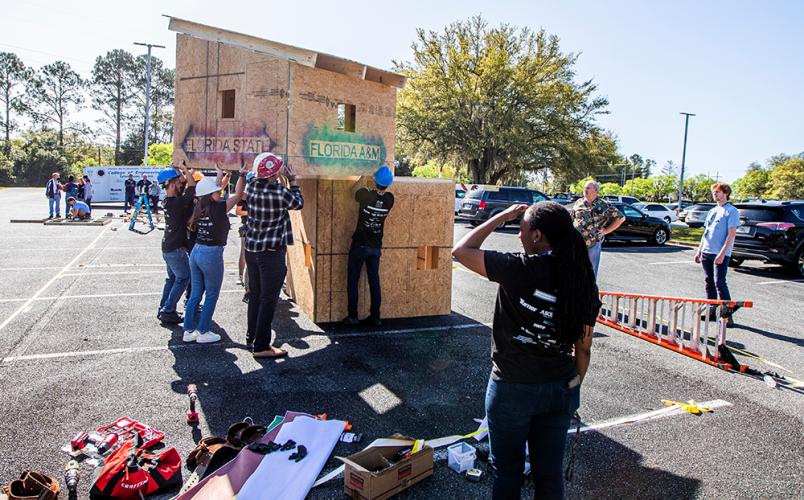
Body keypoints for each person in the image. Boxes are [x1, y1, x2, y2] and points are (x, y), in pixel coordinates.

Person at [452, 201, 599, 499]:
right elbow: (584, 348)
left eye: (521, 229)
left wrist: (501, 217)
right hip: (559, 386)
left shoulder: (519, 268)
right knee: (549, 473)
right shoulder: (583, 279)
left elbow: (461, 251)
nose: (518, 235)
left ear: (537, 235)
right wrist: (571, 388)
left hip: (512, 389)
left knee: (508, 472)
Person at [244, 152, 303, 358]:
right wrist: (293, 181)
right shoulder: (279, 192)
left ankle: (252, 336)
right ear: (274, 174)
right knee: (269, 299)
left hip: (252, 250)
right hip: (270, 254)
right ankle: (261, 346)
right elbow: (298, 203)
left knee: (256, 296)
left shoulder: (251, 188)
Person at [183, 166, 246, 343]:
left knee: (196, 293)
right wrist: (241, 174)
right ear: (212, 194)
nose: (219, 191)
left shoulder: (200, 205)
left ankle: (188, 330)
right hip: (211, 254)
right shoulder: (219, 207)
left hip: (196, 252)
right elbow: (238, 194)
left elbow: (212, 190)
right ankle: (203, 331)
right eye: (217, 191)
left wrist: (219, 175)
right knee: (211, 294)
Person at [343, 165, 395, 327]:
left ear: (375, 181)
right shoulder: (390, 199)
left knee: (353, 280)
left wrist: (363, 177)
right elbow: (380, 193)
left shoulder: (365, 195)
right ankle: (375, 317)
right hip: (375, 247)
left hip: (360, 245)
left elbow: (352, 191)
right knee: (374, 281)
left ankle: (353, 316)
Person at [694, 183, 740, 325]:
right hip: (707, 251)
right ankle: (712, 311)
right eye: (714, 192)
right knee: (709, 282)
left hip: (720, 253)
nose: (715, 194)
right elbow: (705, 232)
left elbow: (731, 235)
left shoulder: (731, 211)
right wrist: (699, 250)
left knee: (719, 282)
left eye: (718, 192)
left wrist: (722, 254)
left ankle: (727, 315)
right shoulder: (713, 211)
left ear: (725, 193)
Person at [156, 163, 197, 325]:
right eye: (179, 181)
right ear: (172, 183)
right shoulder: (177, 203)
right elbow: (192, 185)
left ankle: (164, 308)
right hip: (175, 249)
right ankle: (168, 310)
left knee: (172, 279)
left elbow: (186, 185)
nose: (182, 182)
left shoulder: (168, 200)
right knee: (183, 277)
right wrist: (184, 169)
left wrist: (181, 171)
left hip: (168, 246)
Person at [570, 180, 625, 276]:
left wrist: (606, 230)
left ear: (596, 190)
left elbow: (621, 218)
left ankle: (590, 290)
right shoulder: (579, 202)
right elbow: (572, 218)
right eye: (584, 188)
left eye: (588, 188)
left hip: (592, 242)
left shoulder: (604, 205)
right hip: (576, 242)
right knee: (575, 269)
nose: (585, 190)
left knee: (590, 271)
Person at [235, 195, 250, 302]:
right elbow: (238, 211)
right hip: (246, 226)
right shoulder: (244, 197)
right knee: (244, 253)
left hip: (255, 227)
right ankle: (240, 276)